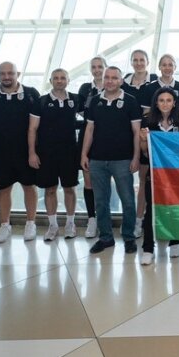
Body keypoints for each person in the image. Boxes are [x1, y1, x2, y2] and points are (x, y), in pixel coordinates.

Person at [81, 66, 142, 255]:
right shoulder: (95, 101)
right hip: (97, 160)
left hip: (122, 160)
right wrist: (84, 154)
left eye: (114, 78)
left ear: (121, 81)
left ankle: (129, 237)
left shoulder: (131, 101)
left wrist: (136, 157)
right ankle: (106, 237)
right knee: (101, 201)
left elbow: (136, 132)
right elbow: (89, 130)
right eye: (107, 77)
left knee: (128, 201)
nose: (109, 81)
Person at [0, 62, 40, 244]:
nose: (6, 77)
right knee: (3, 189)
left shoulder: (31, 94)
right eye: (2, 73)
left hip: (26, 151)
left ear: (18, 74)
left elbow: (38, 123)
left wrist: (35, 151)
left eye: (10, 73)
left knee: (29, 186)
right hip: (1, 152)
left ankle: (30, 223)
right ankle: (5, 225)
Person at [139, 87, 179, 265]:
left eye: (169, 100)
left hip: (177, 174)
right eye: (161, 100)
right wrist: (143, 140)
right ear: (156, 103)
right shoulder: (147, 121)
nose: (165, 104)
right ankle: (148, 248)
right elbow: (145, 153)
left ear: (174, 103)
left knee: (176, 208)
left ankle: (175, 242)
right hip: (155, 174)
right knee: (151, 210)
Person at [28, 69, 81, 242]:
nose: (59, 81)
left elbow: (91, 120)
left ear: (68, 80)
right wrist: (32, 153)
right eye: (56, 78)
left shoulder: (75, 99)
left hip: (69, 152)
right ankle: (53, 225)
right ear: (51, 81)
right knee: (50, 189)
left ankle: (70, 224)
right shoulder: (41, 101)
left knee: (69, 188)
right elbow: (32, 129)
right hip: (46, 153)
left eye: (62, 78)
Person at [122, 50, 157, 240]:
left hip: (147, 136)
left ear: (147, 62)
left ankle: (152, 221)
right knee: (137, 182)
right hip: (126, 136)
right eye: (135, 60)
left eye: (141, 60)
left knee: (148, 181)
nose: (138, 63)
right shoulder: (123, 83)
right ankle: (136, 221)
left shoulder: (155, 82)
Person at [77, 56, 106, 238]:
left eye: (100, 67)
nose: (97, 70)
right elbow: (83, 112)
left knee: (106, 182)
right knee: (88, 182)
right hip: (87, 137)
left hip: (108, 139)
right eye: (94, 67)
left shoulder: (115, 87)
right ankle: (92, 219)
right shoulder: (85, 89)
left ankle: (104, 219)